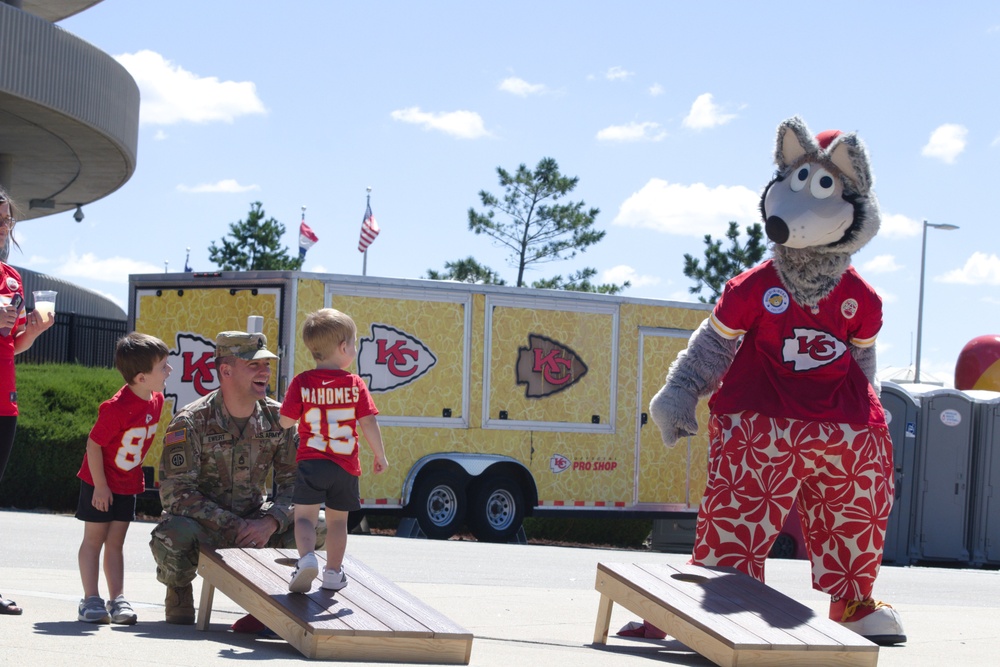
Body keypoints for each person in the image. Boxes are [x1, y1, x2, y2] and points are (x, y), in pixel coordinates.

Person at [149, 330, 322, 627]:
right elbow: (175, 492)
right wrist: (234, 524)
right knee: (173, 531)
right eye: (254, 365)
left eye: (266, 364)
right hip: (208, 528)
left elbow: (297, 484)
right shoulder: (191, 421)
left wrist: (270, 522)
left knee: (317, 524)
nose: (264, 371)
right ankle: (178, 589)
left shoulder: (279, 419)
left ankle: (275, 601)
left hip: (258, 525)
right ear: (226, 371)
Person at [278, 309, 388, 593]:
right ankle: (333, 573)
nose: (354, 348)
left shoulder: (302, 382)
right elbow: (368, 422)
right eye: (353, 343)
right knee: (339, 521)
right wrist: (380, 455)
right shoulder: (354, 384)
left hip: (312, 462)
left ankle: (306, 560)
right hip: (345, 466)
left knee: (304, 517)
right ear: (343, 348)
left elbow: (286, 421)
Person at [76, 333, 171, 624]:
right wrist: (100, 487)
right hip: (100, 483)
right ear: (141, 378)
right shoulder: (115, 408)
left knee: (116, 542)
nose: (169, 371)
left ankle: (117, 599)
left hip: (128, 482)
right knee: (94, 540)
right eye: (163, 367)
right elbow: (94, 445)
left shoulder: (156, 399)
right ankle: (90, 599)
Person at [0, 188, 56, 616]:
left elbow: (11, 345)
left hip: (5, 400)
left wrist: (33, 331)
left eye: (7, 220)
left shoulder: (12, 279)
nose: (4, 227)